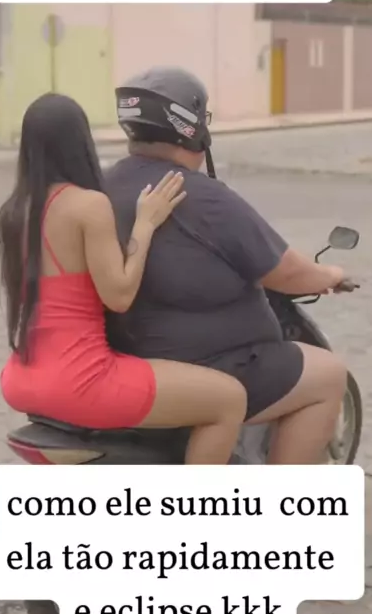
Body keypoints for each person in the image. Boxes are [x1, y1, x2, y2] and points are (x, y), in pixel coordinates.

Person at [105, 67, 352, 465]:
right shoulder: (200, 195)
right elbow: (287, 272)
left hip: (130, 356)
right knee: (328, 375)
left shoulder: (104, 185)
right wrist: (331, 275)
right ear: (191, 128)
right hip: (209, 365)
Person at [0, 93, 247, 465]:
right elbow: (119, 295)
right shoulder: (88, 205)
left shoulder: (14, 212)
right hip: (82, 380)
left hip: (22, 378)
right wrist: (146, 223)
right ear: (81, 141)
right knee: (229, 399)